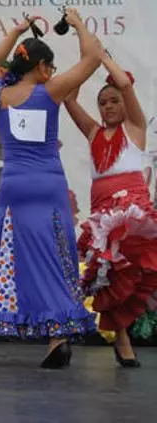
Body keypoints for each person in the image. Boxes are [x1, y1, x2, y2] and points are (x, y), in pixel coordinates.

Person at [0, 9, 101, 369]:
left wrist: (16, 30)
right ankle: (57, 337)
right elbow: (92, 58)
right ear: (42, 66)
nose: (53, 72)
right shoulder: (51, 91)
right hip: (49, 185)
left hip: (14, 188)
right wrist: (76, 23)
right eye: (51, 66)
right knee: (53, 258)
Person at [64, 51, 156, 368]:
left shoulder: (135, 127)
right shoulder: (94, 133)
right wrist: (87, 63)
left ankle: (124, 333)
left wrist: (101, 56)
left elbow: (125, 86)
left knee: (140, 270)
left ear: (124, 104)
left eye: (114, 101)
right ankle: (122, 338)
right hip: (103, 212)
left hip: (132, 211)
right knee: (110, 276)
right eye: (103, 103)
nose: (108, 106)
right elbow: (69, 99)